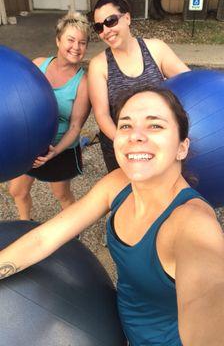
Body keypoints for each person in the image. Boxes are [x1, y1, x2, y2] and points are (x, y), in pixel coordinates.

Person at [1, 86, 224, 345]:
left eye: (155, 126)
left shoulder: (193, 224)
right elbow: (44, 238)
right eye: (126, 126)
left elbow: (208, 307)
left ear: (181, 148)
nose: (136, 136)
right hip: (123, 329)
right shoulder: (118, 183)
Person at [88, 0, 190, 172]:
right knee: (126, 196)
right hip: (122, 147)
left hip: (159, 144)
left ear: (127, 18)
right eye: (99, 27)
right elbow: (102, 115)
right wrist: (126, 142)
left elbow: (191, 84)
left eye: (111, 21)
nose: (106, 31)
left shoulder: (156, 49)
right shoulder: (99, 65)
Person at [9, 12, 91, 220]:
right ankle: (24, 223)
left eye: (82, 43)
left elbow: (75, 127)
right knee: (17, 190)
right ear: (58, 40)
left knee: (61, 193)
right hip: (31, 144)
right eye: (70, 40)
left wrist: (54, 153)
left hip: (59, 148)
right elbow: (17, 98)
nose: (76, 47)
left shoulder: (83, 83)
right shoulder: (37, 65)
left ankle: (73, 229)